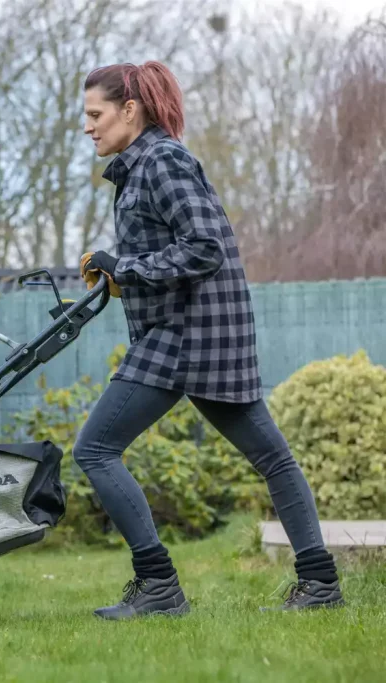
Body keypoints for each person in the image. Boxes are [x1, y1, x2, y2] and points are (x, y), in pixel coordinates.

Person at [77, 60, 344, 620]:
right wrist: (120, 277)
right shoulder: (143, 166)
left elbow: (203, 246)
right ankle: (320, 583)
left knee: (95, 449)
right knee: (274, 459)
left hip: (185, 338)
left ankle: (159, 587)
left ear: (130, 110)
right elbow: (177, 254)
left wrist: (123, 265)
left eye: (95, 114)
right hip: (199, 334)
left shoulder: (162, 160)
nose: (88, 127)